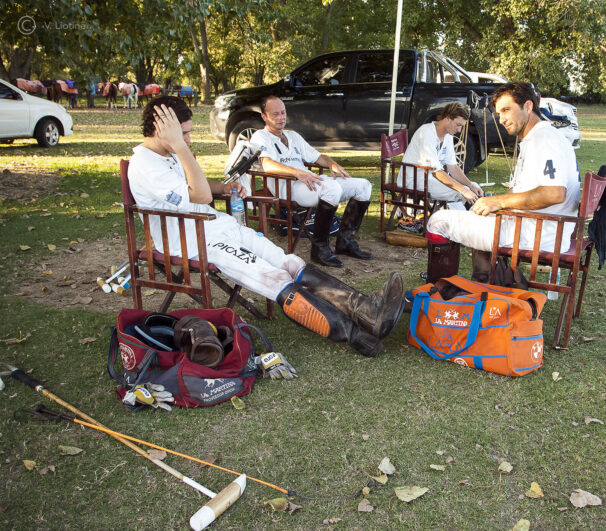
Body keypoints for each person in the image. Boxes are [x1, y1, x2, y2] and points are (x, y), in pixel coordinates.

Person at [127, 96, 404, 357]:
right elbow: (199, 196)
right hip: (190, 239)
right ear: (162, 130)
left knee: (288, 262)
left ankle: (367, 311)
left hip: (215, 226)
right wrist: (181, 147)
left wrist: (223, 187)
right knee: (272, 277)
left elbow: (194, 187)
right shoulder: (145, 163)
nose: (187, 139)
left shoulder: (170, 155)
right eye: (184, 134)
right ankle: (356, 335)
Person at [424, 82, 580, 284]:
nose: (502, 119)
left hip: (536, 233)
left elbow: (554, 193)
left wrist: (499, 202)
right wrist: (494, 203)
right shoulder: (541, 137)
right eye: (499, 113)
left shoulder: (544, 139)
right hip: (539, 228)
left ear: (528, 106)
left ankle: (437, 289)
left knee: (437, 221)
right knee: (478, 215)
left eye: (507, 110)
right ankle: (488, 283)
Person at [249, 96, 373, 268]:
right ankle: (320, 249)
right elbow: (267, 165)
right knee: (332, 188)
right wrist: (297, 172)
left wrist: (331, 163)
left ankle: (345, 242)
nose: (281, 118)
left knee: (363, 186)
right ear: (264, 116)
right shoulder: (260, 137)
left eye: (283, 113)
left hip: (308, 182)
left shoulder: (293, 136)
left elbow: (317, 156)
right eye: (275, 114)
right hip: (286, 186)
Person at [402, 102, 484, 210]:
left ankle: (471, 216)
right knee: (462, 193)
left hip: (431, 178)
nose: (459, 130)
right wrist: (464, 190)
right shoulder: (427, 132)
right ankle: (471, 217)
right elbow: (437, 172)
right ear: (448, 118)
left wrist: (470, 185)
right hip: (416, 179)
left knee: (474, 187)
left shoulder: (448, 135)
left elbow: (453, 167)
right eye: (458, 124)